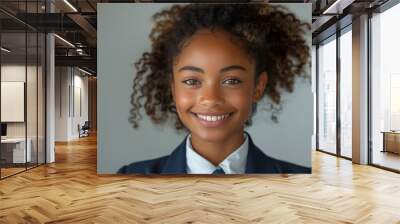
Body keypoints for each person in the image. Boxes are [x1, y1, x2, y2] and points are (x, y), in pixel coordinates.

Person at [118, 3, 311, 174]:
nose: (210, 99)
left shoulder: (301, 180)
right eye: (192, 81)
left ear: (258, 87)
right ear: (173, 88)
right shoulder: (131, 177)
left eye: (232, 81)